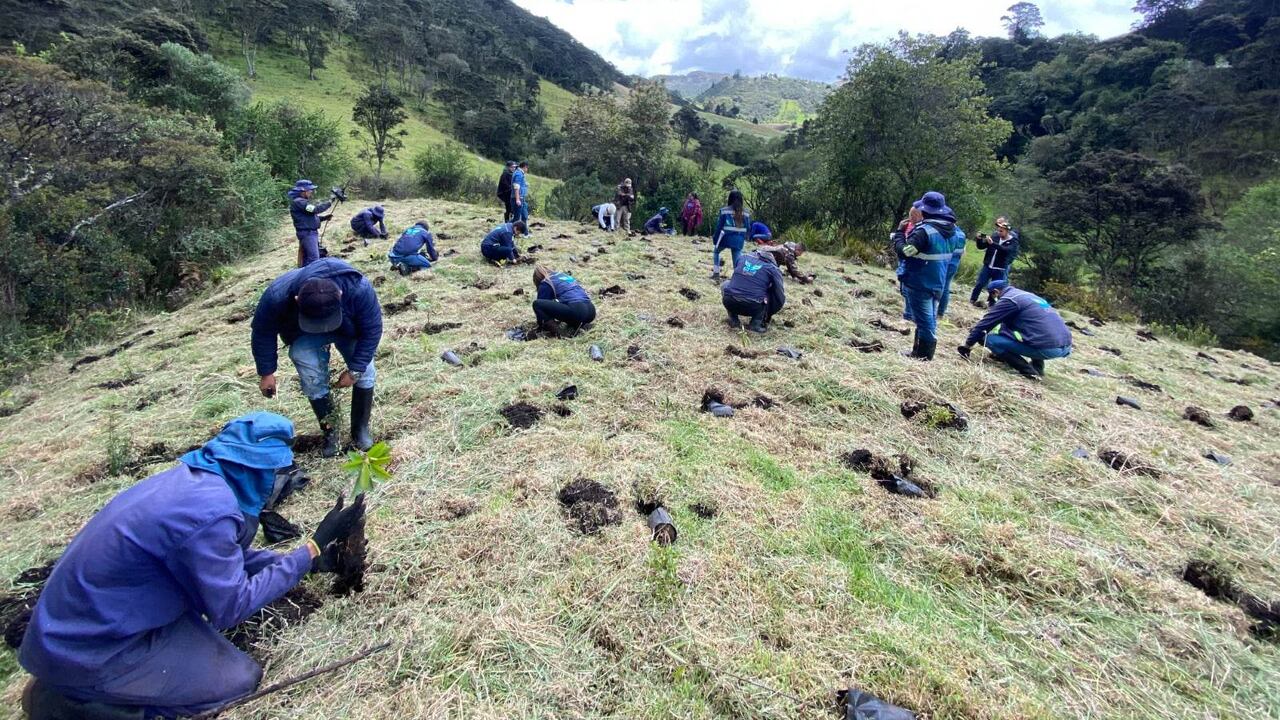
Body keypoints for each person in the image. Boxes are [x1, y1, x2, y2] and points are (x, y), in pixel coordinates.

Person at [18, 413, 367, 720]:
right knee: (238, 680)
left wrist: (309, 562)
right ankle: (74, 705)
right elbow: (230, 606)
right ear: (256, 469)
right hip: (94, 649)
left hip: (82, 626)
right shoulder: (210, 512)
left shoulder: (192, 482)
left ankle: (74, 684)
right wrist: (308, 549)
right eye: (276, 472)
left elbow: (221, 562)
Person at [252, 258, 383, 457]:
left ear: (340, 295)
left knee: (366, 370)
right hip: (305, 332)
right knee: (307, 367)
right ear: (297, 300)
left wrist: (355, 369)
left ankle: (360, 430)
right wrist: (266, 372)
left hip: (347, 328)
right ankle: (332, 432)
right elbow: (262, 332)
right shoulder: (277, 295)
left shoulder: (358, 288)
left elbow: (372, 330)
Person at [893, 191, 961, 360]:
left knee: (924, 320)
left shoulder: (924, 232)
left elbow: (906, 252)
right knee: (928, 317)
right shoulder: (952, 231)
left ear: (925, 210)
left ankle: (923, 355)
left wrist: (900, 235)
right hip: (937, 280)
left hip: (919, 281)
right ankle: (918, 350)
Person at [959, 280, 1072, 380]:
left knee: (988, 339)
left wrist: (968, 345)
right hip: (1065, 345)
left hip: (1048, 348)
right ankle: (1038, 368)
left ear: (996, 292)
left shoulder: (1009, 300)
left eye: (992, 295)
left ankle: (1029, 371)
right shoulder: (1028, 296)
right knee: (1035, 331)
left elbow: (985, 324)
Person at [721, 247, 785, 333]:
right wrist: (769, 313)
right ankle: (755, 324)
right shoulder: (773, 269)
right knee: (770, 292)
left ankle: (733, 319)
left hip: (729, 302)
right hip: (753, 306)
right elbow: (779, 295)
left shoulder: (742, 258)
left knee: (725, 284)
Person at [532, 265, 596, 336]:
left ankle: (558, 333)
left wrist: (541, 324)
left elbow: (542, 304)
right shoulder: (563, 276)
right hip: (591, 311)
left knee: (537, 304)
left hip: (577, 310)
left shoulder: (546, 282)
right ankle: (579, 326)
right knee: (569, 310)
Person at [970, 217, 1020, 308]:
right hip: (988, 265)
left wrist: (992, 243)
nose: (999, 232)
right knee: (980, 283)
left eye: (1001, 231)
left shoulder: (1013, 241)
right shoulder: (995, 236)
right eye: (998, 230)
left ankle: (991, 304)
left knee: (995, 288)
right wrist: (979, 239)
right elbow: (981, 247)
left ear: (1007, 231)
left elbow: (1005, 250)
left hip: (1000, 268)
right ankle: (973, 299)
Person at [287, 179, 334, 268]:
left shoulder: (301, 202)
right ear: (303, 191)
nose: (311, 192)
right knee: (314, 258)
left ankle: (305, 276)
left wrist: (324, 218)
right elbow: (315, 210)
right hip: (307, 234)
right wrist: (329, 202)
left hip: (310, 233)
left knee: (308, 258)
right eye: (309, 190)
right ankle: (309, 277)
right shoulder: (299, 202)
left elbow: (309, 218)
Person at [711, 189, 752, 279]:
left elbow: (719, 226)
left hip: (725, 238)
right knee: (736, 258)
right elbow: (748, 228)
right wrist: (746, 238)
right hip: (739, 240)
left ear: (730, 199)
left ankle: (716, 273)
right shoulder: (746, 213)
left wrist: (715, 238)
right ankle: (737, 277)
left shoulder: (724, 211)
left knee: (716, 251)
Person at [936, 206, 967, 319]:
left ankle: (936, 310)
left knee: (940, 286)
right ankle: (941, 312)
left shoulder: (948, 232)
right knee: (946, 286)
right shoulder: (962, 234)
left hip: (945, 261)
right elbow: (963, 251)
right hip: (955, 263)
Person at [895, 204, 924, 321]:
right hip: (904, 259)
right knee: (903, 287)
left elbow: (907, 250)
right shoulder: (909, 225)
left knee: (907, 289)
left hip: (910, 261)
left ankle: (909, 315)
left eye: (913, 215)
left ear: (921, 216)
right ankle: (910, 313)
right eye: (910, 214)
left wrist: (899, 233)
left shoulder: (921, 230)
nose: (910, 217)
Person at [511, 161, 531, 235]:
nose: (527, 170)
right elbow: (516, 187)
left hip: (522, 198)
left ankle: (525, 233)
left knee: (524, 216)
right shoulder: (519, 174)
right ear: (525, 167)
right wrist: (517, 199)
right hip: (518, 198)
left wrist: (525, 184)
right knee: (516, 218)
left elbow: (520, 184)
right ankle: (507, 229)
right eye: (527, 168)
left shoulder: (520, 173)